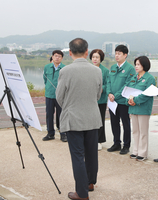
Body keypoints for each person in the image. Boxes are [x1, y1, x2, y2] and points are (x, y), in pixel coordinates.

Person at [56, 38, 102, 200]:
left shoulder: (65, 71)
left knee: (78, 156)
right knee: (91, 154)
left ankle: (82, 194)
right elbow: (98, 95)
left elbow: (59, 97)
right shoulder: (97, 71)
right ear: (87, 52)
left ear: (69, 53)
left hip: (73, 119)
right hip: (92, 117)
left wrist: (70, 105)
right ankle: (90, 183)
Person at [106, 45, 136, 154]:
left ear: (125, 55)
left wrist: (116, 95)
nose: (117, 56)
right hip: (112, 101)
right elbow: (108, 81)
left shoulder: (130, 69)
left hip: (122, 101)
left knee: (125, 123)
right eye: (116, 53)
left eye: (119, 54)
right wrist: (109, 93)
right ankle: (116, 143)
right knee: (114, 123)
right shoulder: (113, 67)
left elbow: (127, 85)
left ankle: (126, 145)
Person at [126, 56, 155, 161]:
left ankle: (143, 153)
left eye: (138, 64)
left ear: (144, 65)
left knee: (143, 131)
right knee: (135, 131)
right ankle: (135, 151)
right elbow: (128, 91)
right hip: (133, 109)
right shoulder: (133, 78)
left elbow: (147, 94)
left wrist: (135, 100)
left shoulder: (149, 78)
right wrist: (129, 100)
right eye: (136, 64)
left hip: (143, 108)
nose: (136, 66)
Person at [42, 50, 67, 142]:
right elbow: (45, 79)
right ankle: (50, 133)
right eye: (55, 56)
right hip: (49, 95)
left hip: (60, 96)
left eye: (59, 56)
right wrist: (49, 88)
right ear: (52, 57)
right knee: (49, 114)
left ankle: (63, 134)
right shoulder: (47, 67)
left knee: (61, 115)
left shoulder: (64, 68)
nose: (57, 58)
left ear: (62, 58)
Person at [90, 49, 109, 150]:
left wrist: (102, 89)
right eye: (93, 57)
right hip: (89, 99)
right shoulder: (88, 69)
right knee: (89, 120)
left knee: (100, 119)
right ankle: (90, 140)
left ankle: (99, 140)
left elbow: (107, 83)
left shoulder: (105, 70)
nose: (95, 59)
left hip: (100, 99)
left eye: (97, 57)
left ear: (101, 58)